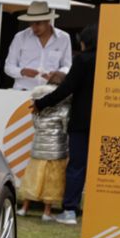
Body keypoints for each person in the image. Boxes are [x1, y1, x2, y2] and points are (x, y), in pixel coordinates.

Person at [30, 23, 98, 226]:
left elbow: (67, 88)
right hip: (104, 120)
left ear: (85, 42)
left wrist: (41, 103)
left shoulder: (83, 60)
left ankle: (69, 209)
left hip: (81, 121)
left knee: (77, 165)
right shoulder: (109, 60)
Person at [18, 82, 69, 221]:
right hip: (56, 151)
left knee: (33, 179)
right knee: (52, 182)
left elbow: (35, 126)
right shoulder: (64, 109)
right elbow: (66, 129)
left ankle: (24, 208)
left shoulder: (37, 109)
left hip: (38, 150)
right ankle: (46, 212)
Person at [3, 1, 71, 91]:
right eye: (31, 23)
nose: (34, 27)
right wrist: (22, 71)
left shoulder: (63, 38)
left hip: (49, 91)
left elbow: (67, 66)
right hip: (23, 90)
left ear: (48, 20)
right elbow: (8, 67)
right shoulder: (20, 37)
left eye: (38, 23)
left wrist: (57, 75)